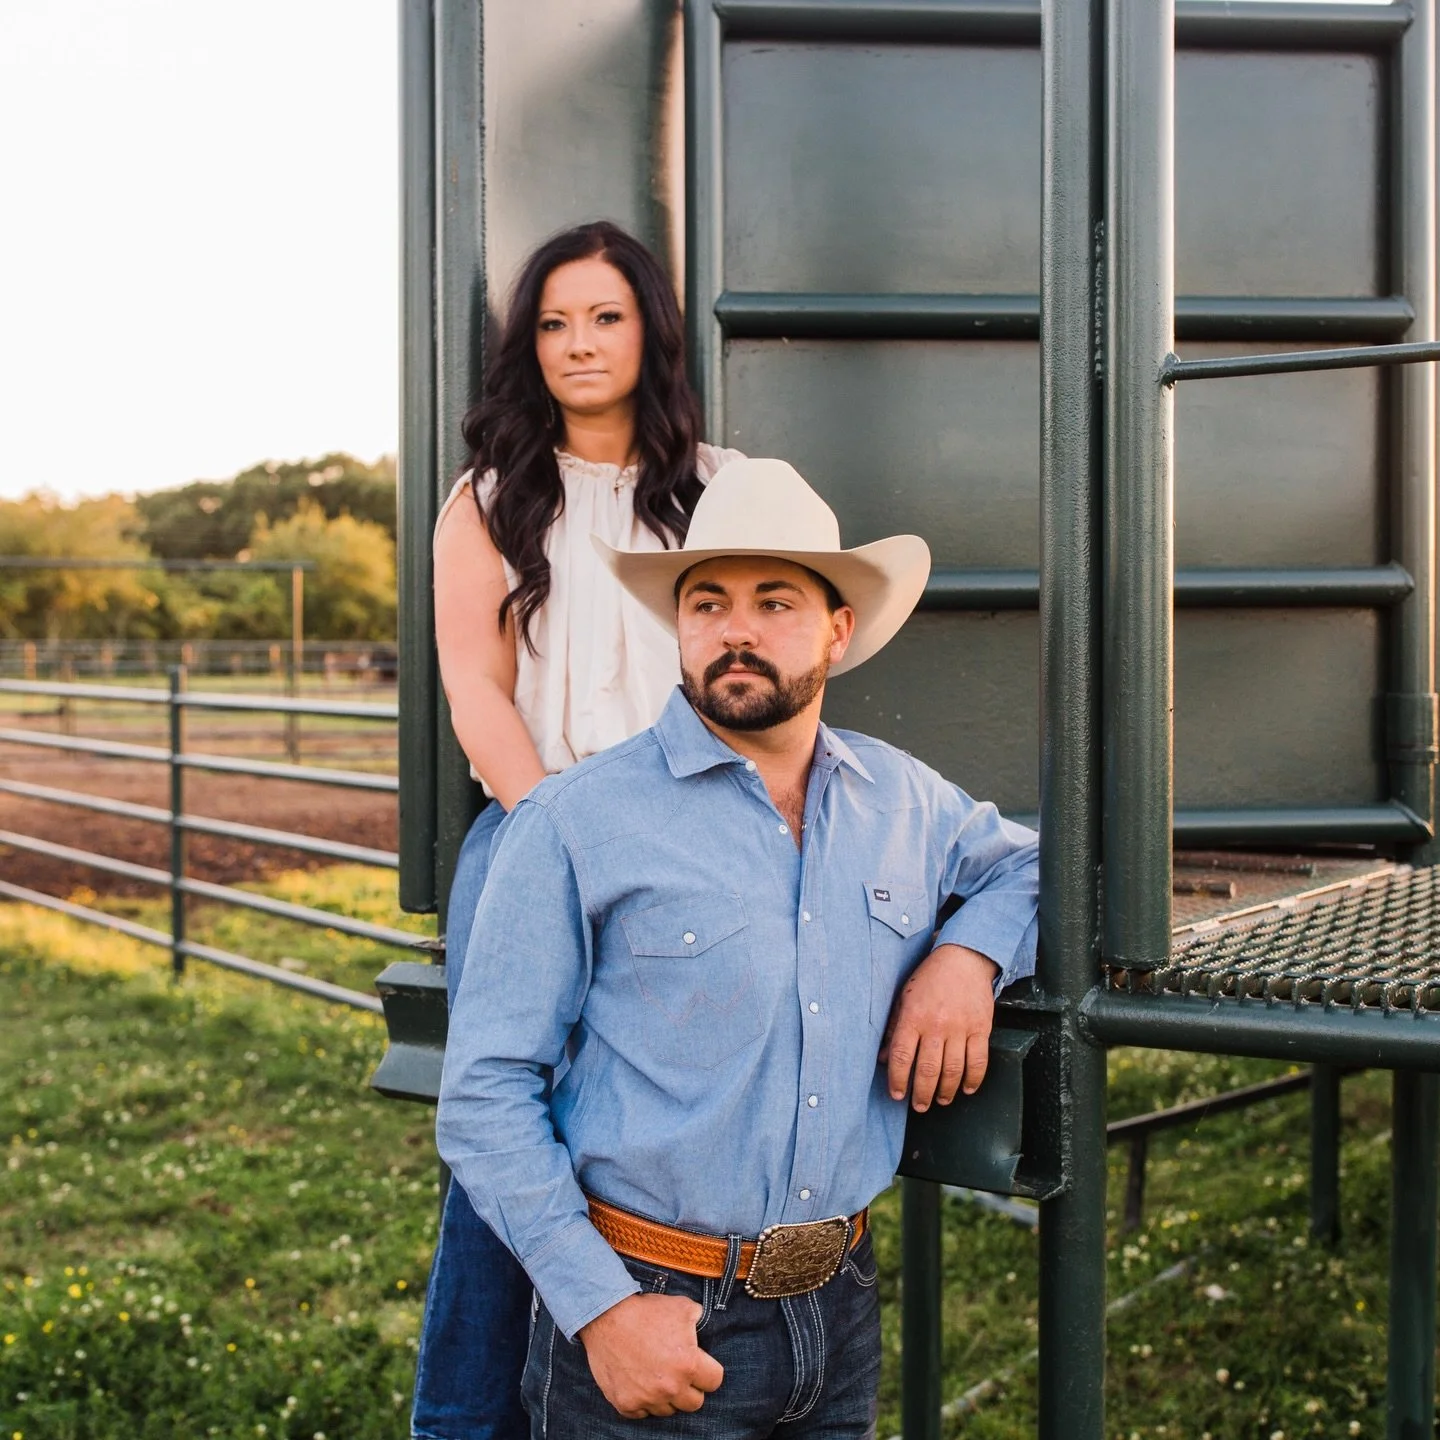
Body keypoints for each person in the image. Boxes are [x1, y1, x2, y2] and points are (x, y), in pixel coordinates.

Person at [436, 457, 1041, 1440]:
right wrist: (602, 1308)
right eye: (707, 603)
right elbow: (484, 1092)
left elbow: (1032, 868)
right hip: (646, 1308)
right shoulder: (574, 822)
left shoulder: (905, 803)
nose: (738, 631)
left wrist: (967, 957)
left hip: (837, 1310)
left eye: (775, 601)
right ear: (678, 626)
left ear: (838, 629)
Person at [415, 220, 744, 1440]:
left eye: (603, 317)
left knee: (660, 1129)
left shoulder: (727, 487)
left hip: (704, 841)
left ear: (649, 328)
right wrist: (566, 834)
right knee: (512, 1134)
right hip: (532, 830)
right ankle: (464, 1420)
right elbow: (477, 690)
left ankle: (671, 1386)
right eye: (553, 323)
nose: (577, 344)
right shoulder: (491, 498)